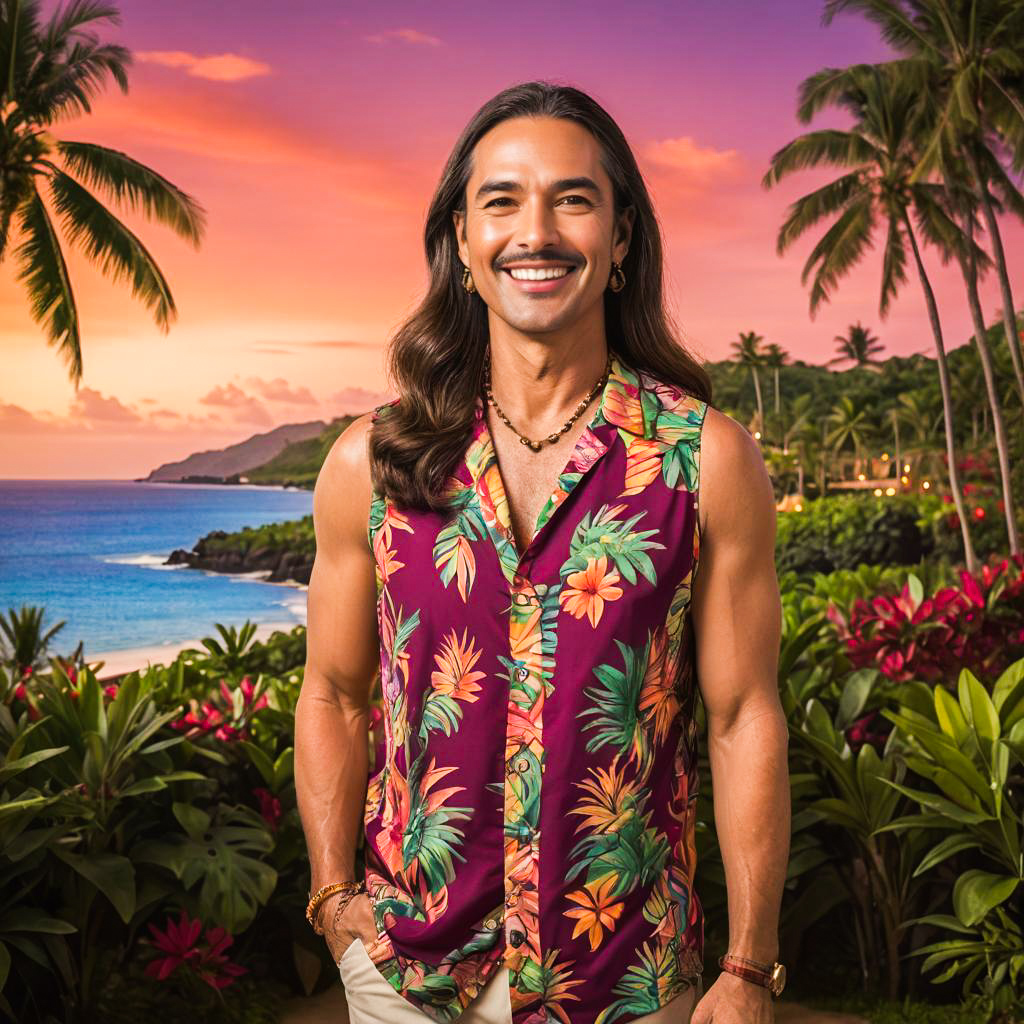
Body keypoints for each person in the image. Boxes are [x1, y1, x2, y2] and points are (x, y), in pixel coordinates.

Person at [295, 80, 790, 1024]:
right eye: (502, 200)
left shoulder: (703, 462)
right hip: (408, 972)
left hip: (627, 980)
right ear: (461, 243)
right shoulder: (373, 462)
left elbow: (740, 718)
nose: (537, 231)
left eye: (572, 198)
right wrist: (331, 897)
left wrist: (750, 966)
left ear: (621, 238)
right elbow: (334, 691)